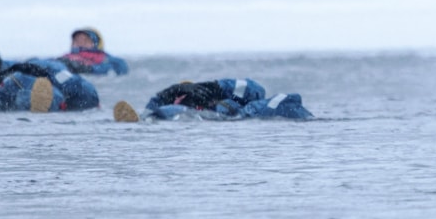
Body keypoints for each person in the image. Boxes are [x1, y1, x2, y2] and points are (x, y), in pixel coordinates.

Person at [0, 27, 130, 77]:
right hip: (58, 63)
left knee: (34, 67)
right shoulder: (68, 54)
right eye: (77, 39)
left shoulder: (104, 58)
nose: (80, 43)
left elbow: (120, 67)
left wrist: (89, 69)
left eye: (85, 39)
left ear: (96, 43)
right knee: (31, 62)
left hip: (68, 70)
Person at [113, 78, 313, 122]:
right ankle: (145, 120)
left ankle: (148, 120)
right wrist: (167, 93)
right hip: (175, 117)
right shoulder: (170, 101)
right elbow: (154, 104)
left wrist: (213, 86)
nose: (181, 97)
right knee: (158, 114)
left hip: (218, 117)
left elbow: (254, 89)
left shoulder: (230, 99)